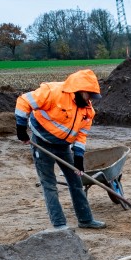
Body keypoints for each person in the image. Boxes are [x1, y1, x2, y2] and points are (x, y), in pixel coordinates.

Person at [15, 69, 107, 231]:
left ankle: (85, 219)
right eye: (89, 95)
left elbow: (81, 135)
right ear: (80, 90)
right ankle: (59, 225)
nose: (90, 99)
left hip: (64, 147)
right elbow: (23, 101)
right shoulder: (53, 92)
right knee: (49, 184)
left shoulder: (87, 111)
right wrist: (21, 128)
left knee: (76, 182)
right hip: (41, 143)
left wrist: (78, 158)